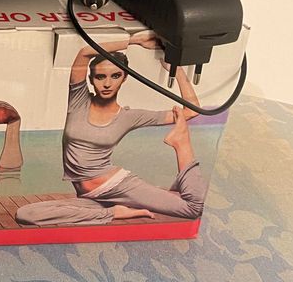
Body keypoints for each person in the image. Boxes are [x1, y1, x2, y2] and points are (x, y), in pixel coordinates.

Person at [16, 30, 207, 226]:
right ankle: (114, 211)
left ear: (124, 78)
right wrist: (134, 40)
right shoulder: (78, 101)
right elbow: (84, 53)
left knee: (193, 208)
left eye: (115, 76)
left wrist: (177, 70)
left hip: (119, 186)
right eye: (100, 77)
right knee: (26, 214)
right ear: (91, 79)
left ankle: (181, 143)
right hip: (90, 196)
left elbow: (192, 110)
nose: (107, 84)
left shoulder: (128, 117)